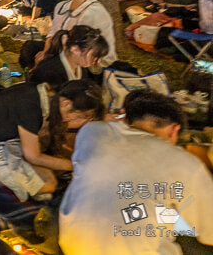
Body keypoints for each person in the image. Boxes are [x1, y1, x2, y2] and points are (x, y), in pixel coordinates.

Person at [59, 90, 213, 255]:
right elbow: (209, 234)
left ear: (125, 119)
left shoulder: (91, 132)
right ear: (173, 130)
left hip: (72, 246)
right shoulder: (184, 163)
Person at [0, 80, 104, 201]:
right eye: (83, 116)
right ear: (66, 103)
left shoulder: (46, 95)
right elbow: (33, 156)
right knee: (48, 184)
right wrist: (76, 165)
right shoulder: (31, 106)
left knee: (51, 173)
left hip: (8, 141)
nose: (83, 122)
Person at [28, 25, 110, 87]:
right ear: (75, 49)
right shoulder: (49, 73)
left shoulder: (83, 71)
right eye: (94, 55)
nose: (98, 61)